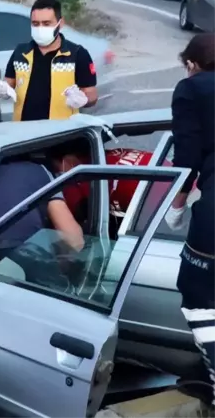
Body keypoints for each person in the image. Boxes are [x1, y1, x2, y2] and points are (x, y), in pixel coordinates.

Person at [162, 34, 215, 407]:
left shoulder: (192, 89)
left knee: (197, 291)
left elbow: (188, 154)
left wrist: (177, 203)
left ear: (193, 63)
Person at [0, 0, 98, 122]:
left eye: (46, 23)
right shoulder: (21, 53)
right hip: (23, 132)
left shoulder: (77, 54)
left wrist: (84, 99)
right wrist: (4, 90)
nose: (40, 28)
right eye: (35, 24)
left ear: (60, 24)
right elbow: (9, 83)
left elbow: (92, 94)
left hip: (60, 133)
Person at [49, 143, 154, 218]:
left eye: (56, 168)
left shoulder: (85, 180)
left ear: (69, 161)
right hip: (165, 172)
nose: (57, 173)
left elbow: (67, 220)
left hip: (160, 208)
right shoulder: (112, 153)